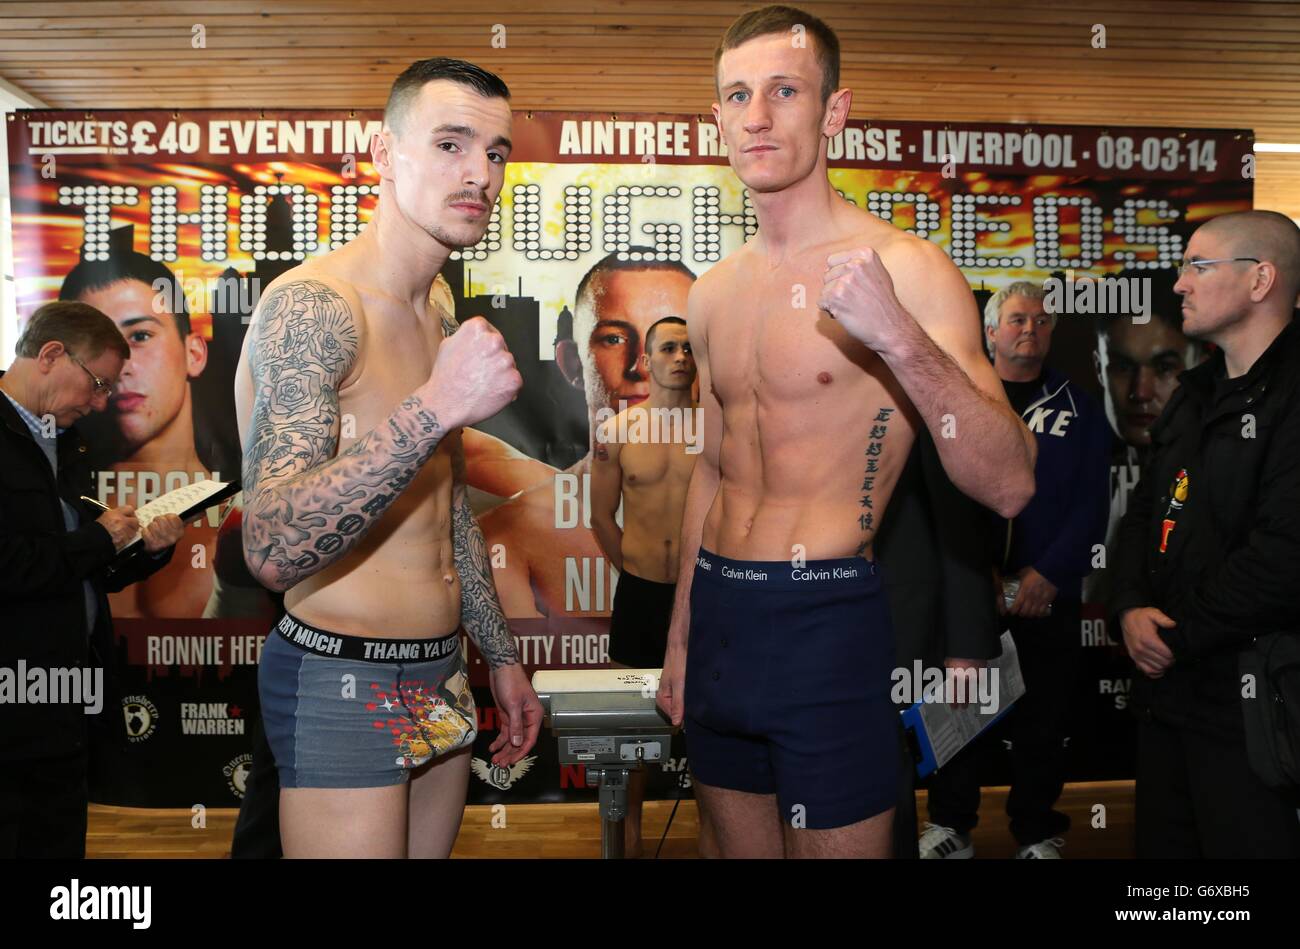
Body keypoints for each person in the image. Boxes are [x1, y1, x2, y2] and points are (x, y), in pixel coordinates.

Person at [656, 4, 1035, 858]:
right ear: (715, 116)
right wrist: (680, 635)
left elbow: (1009, 481)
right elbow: (711, 474)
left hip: (824, 614)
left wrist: (896, 333)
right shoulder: (713, 292)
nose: (756, 116)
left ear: (833, 111)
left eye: (784, 91)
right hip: (718, 612)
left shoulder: (905, 268)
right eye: (736, 95)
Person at [234, 57, 542, 859]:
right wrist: (435, 405)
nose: (481, 173)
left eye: (498, 152)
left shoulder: (436, 307)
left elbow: (448, 509)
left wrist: (500, 657)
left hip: (440, 668)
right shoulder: (314, 307)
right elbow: (269, 545)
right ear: (383, 152)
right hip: (345, 673)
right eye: (451, 143)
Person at [1111, 210, 1300, 858]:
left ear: (1260, 280)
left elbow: (1283, 556)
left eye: (1198, 265)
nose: (1180, 284)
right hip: (1167, 700)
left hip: (1258, 707)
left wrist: (1176, 634)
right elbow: (1143, 513)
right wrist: (1130, 606)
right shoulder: (1192, 394)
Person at [922, 280, 1109, 858]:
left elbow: (1092, 503)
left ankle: (1036, 829)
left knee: (1044, 720)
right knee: (958, 710)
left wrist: (1049, 573)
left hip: (1047, 593)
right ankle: (950, 824)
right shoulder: (963, 401)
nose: (1032, 329)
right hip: (969, 592)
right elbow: (938, 501)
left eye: (1042, 320)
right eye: (1019, 319)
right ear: (991, 331)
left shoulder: (1080, 406)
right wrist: (976, 583)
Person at [0, 301, 185, 858]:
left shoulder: (69, 442)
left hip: (66, 696)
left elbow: (79, 569)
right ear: (52, 355)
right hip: (13, 699)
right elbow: (11, 565)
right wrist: (96, 539)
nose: (101, 402)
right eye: (98, 384)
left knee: (58, 843)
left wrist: (144, 551)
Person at [481, 252, 696, 618]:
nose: (642, 366)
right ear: (571, 363)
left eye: (676, 344)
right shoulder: (510, 534)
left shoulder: (752, 512)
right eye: (614, 339)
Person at [60, 250, 221, 617]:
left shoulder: (246, 520)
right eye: (96, 346)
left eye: (141, 335)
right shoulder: (58, 515)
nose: (120, 366)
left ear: (193, 353)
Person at [589, 315, 699, 856]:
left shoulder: (718, 431)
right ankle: (627, 845)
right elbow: (603, 518)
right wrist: (634, 570)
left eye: (688, 347)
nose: (680, 356)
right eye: (668, 348)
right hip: (641, 598)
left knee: (709, 728)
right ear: (646, 360)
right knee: (633, 733)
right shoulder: (616, 433)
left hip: (706, 601)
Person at [1084, 270, 1206, 604]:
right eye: (1123, 367)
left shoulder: (1230, 461)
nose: (1141, 392)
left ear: (1201, 363)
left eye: (1165, 368)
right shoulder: (1068, 461)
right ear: (1099, 368)